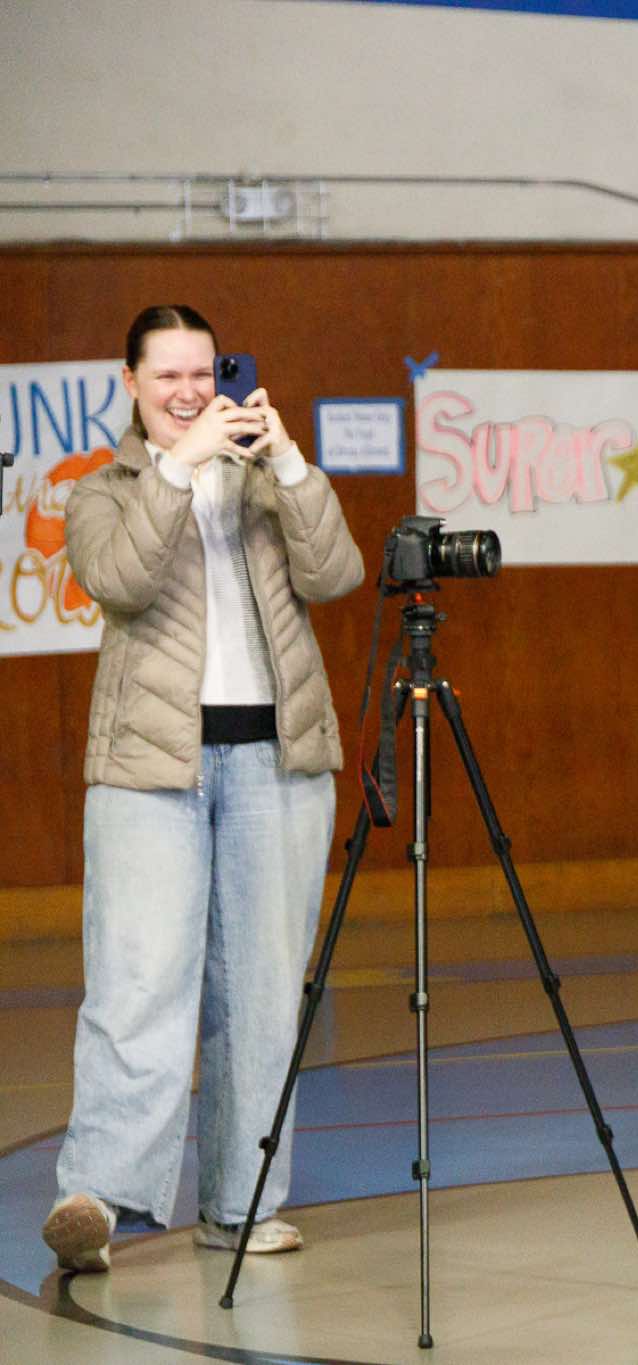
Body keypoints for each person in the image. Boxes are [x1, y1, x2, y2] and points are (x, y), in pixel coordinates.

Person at [40, 305, 364, 1274]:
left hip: (277, 762)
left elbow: (337, 574)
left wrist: (290, 464)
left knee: (262, 995)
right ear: (131, 383)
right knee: (138, 981)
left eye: (202, 373)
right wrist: (178, 468)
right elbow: (122, 579)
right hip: (150, 768)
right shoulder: (102, 491)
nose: (189, 392)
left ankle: (242, 1203)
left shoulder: (267, 481)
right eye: (167, 376)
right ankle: (95, 1201)